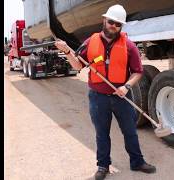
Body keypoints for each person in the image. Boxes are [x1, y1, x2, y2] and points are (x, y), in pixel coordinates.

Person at [55, 4, 156, 180]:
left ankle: (137, 162)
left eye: (118, 24)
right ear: (104, 20)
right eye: (111, 22)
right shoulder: (90, 42)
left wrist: (127, 86)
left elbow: (138, 72)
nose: (114, 26)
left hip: (122, 97)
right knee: (102, 134)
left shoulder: (129, 46)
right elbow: (78, 65)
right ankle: (103, 166)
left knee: (130, 131)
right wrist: (67, 52)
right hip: (98, 97)